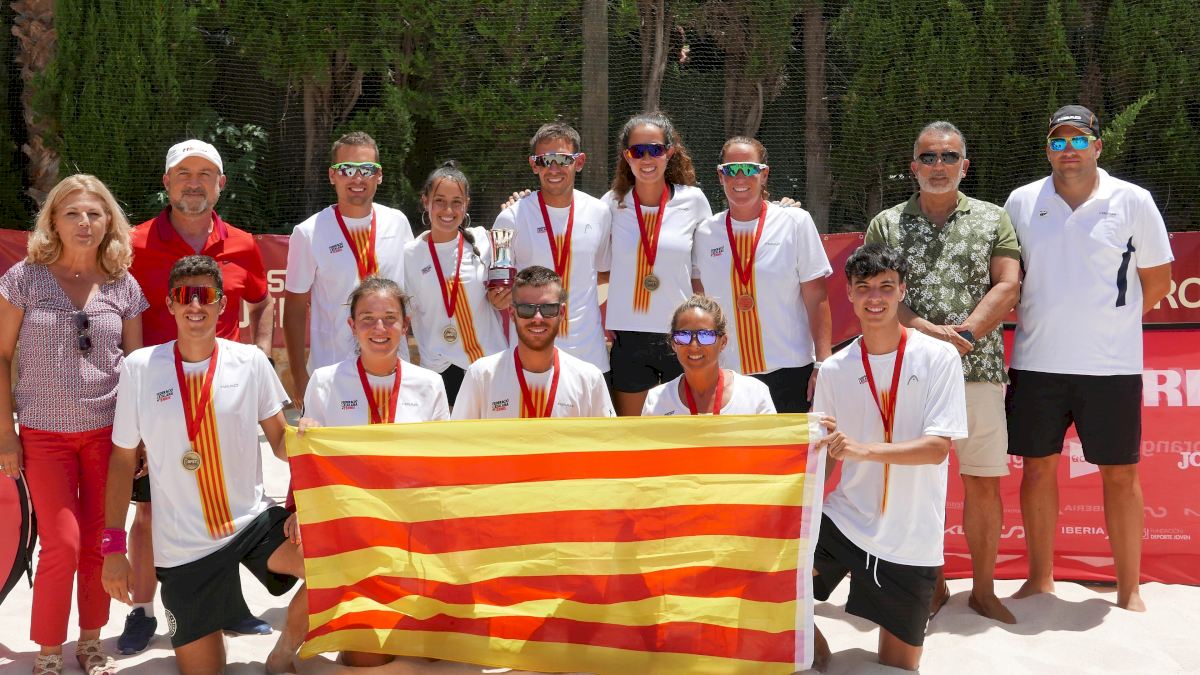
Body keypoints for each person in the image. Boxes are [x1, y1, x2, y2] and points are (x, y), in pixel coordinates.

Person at [1004, 105, 1173, 612]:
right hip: (1037, 362)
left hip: (1110, 366)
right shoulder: (1021, 201)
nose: (1069, 150)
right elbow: (1009, 275)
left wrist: (1110, 324)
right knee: (1037, 471)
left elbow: (1157, 281)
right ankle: (1040, 579)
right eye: (1058, 142)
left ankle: (1129, 589)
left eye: (1079, 141)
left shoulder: (1132, 200)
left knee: (1121, 475)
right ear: (1047, 150)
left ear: (1098, 146)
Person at [101, 255, 305, 674]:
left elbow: (282, 443)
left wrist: (310, 439)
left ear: (222, 304)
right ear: (170, 303)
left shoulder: (250, 362)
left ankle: (283, 652)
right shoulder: (139, 368)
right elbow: (122, 460)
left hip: (250, 523)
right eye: (184, 295)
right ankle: (214, 616)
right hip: (183, 549)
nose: (195, 305)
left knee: (337, 565)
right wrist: (112, 548)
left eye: (205, 295)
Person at [865, 120, 1022, 623]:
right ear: (914, 166)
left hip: (979, 371)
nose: (939, 166)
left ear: (965, 166)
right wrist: (927, 333)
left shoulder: (994, 218)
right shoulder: (886, 224)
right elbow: (877, 292)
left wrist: (967, 335)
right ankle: (930, 586)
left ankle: (983, 591)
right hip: (909, 372)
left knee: (983, 482)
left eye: (949, 157)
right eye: (929, 157)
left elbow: (1008, 285)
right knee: (917, 486)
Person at [122, 139, 274, 650]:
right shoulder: (134, 243)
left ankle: (225, 607)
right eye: (183, 173)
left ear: (220, 184)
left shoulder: (244, 244)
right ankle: (143, 610)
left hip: (223, 401)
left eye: (205, 173)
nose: (194, 182)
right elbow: (122, 315)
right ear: (167, 182)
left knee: (226, 506)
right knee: (149, 511)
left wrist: (261, 356)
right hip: (161, 402)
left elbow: (262, 301)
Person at [0, 174, 146, 675]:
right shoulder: (24, 278)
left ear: (109, 222)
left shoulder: (123, 284)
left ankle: (90, 642)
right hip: (43, 435)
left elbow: (136, 368)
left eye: (94, 213)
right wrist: (5, 433)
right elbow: (1, 355)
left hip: (108, 436)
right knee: (60, 544)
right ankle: (48, 649)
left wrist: (138, 439)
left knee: (101, 541)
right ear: (53, 222)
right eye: (72, 213)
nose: (84, 223)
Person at [811, 243, 968, 672]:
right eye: (863, 287)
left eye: (885, 286)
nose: (874, 298)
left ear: (902, 290)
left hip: (910, 540)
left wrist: (861, 450)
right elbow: (823, 454)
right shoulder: (834, 369)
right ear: (849, 293)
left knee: (898, 665)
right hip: (845, 521)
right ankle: (813, 646)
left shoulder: (939, 357)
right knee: (776, 582)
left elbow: (937, 449)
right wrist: (795, 510)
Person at [294, 276, 448, 667]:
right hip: (352, 530)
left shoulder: (430, 384)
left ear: (405, 324)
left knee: (423, 654)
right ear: (351, 325)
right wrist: (297, 508)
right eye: (367, 319)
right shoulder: (325, 381)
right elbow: (309, 461)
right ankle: (286, 652)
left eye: (390, 318)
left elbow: (441, 465)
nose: (379, 328)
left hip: (410, 531)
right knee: (367, 657)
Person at [692, 137, 832, 413]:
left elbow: (817, 297)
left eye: (749, 169)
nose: (740, 177)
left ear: (764, 174)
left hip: (791, 371)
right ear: (720, 176)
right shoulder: (705, 232)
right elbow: (701, 303)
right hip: (729, 375)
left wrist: (823, 363)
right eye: (731, 170)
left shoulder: (795, 222)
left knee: (791, 444)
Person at [284, 131, 415, 404]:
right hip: (333, 375)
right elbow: (294, 309)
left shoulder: (398, 222)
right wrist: (298, 376)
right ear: (332, 175)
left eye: (367, 169)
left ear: (379, 175)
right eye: (347, 169)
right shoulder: (308, 232)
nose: (357, 178)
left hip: (394, 370)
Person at [602, 112, 712, 416]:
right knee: (634, 434)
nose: (647, 158)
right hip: (629, 336)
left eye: (655, 149)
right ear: (627, 156)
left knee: (687, 431)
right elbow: (588, 259)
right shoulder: (611, 203)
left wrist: (777, 210)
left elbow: (703, 268)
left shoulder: (693, 200)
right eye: (638, 151)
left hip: (682, 334)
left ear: (670, 152)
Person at [496, 122, 613, 381]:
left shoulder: (600, 212)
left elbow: (602, 273)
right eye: (544, 161)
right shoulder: (509, 219)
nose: (553, 168)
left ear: (579, 161)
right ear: (533, 165)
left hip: (589, 356)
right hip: (532, 356)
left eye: (562, 159)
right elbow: (498, 294)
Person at [403, 161, 509, 406]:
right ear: (425, 201)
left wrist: (503, 297)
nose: (448, 210)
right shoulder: (409, 255)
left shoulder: (485, 241)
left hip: (487, 365)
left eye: (456, 202)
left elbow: (506, 287)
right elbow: (403, 315)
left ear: (467, 204)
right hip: (437, 371)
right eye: (439, 200)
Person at [453, 266, 614, 420]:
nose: (537, 318)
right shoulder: (481, 375)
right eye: (526, 309)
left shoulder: (589, 380)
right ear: (512, 313)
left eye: (548, 309)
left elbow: (608, 438)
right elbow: (459, 437)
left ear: (561, 313)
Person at [642, 295, 776, 416]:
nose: (694, 345)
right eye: (683, 336)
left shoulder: (755, 394)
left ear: (723, 342)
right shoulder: (657, 400)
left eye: (705, 335)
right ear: (673, 343)